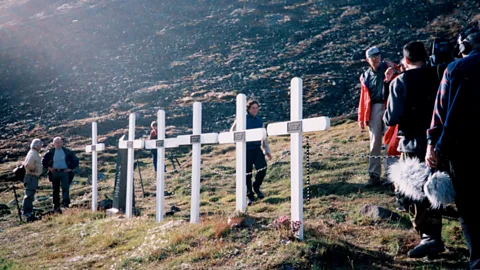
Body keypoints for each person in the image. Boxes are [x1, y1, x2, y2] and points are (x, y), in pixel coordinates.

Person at [384, 41, 446, 258]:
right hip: (439, 141)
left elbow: (391, 117)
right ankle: (434, 234)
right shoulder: (440, 74)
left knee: (414, 192)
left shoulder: (400, 81)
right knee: (436, 188)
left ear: (406, 60)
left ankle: (428, 237)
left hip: (413, 143)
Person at [425, 27, 480, 269]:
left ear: (465, 47)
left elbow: (442, 114)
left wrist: (434, 146)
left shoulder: (455, 69)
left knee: (469, 209)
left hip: (464, 151)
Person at [358, 46, 398, 187]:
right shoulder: (365, 76)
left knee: (390, 141)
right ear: (367, 60)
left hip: (389, 105)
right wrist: (361, 117)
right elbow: (363, 97)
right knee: (374, 142)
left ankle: (391, 175)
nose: (375, 59)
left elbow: (402, 73)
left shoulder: (391, 68)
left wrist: (394, 69)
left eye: (377, 55)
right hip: (374, 108)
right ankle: (374, 175)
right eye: (372, 57)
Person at [230, 100, 271, 206]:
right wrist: (239, 147)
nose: (255, 110)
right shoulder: (241, 119)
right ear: (248, 109)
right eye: (253, 108)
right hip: (245, 150)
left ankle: (256, 187)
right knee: (247, 173)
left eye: (257, 108)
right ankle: (250, 196)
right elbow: (232, 133)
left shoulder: (259, 120)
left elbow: (264, 136)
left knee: (262, 168)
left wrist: (267, 151)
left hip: (257, 149)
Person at [42, 137, 79, 213]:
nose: (58, 144)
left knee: (65, 188)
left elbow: (76, 160)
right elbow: (43, 161)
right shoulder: (50, 152)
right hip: (54, 173)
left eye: (59, 142)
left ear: (62, 143)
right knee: (55, 189)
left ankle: (66, 204)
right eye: (56, 142)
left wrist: (70, 168)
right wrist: (49, 168)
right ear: (53, 144)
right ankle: (56, 205)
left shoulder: (67, 151)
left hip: (64, 172)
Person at [22, 139, 43, 222]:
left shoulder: (33, 152)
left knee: (30, 194)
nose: (41, 146)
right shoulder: (33, 153)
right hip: (31, 177)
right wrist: (34, 171)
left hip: (31, 177)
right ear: (37, 145)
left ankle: (28, 211)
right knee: (29, 195)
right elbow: (28, 165)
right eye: (40, 145)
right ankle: (27, 212)